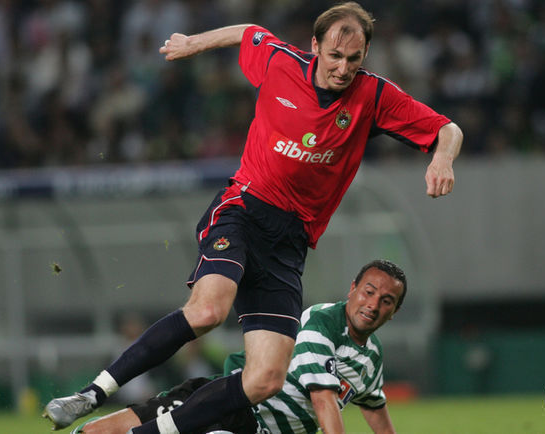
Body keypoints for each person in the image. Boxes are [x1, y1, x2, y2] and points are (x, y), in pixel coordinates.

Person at [44, 2, 462, 432]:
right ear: (315, 46)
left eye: (353, 59)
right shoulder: (281, 63)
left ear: (365, 55)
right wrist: (192, 43)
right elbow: (247, 31)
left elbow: (448, 129)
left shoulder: (373, 96)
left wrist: (442, 159)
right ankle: (90, 395)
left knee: (265, 379)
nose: (343, 68)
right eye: (335, 56)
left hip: (289, 244)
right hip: (244, 210)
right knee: (208, 311)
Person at [71, 259, 406, 434]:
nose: (373, 304)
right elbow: (322, 399)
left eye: (386, 300)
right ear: (352, 288)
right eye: (369, 292)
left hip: (251, 426)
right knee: (100, 431)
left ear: (394, 312)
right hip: (228, 404)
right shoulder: (323, 321)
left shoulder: (371, 357)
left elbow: (373, 406)